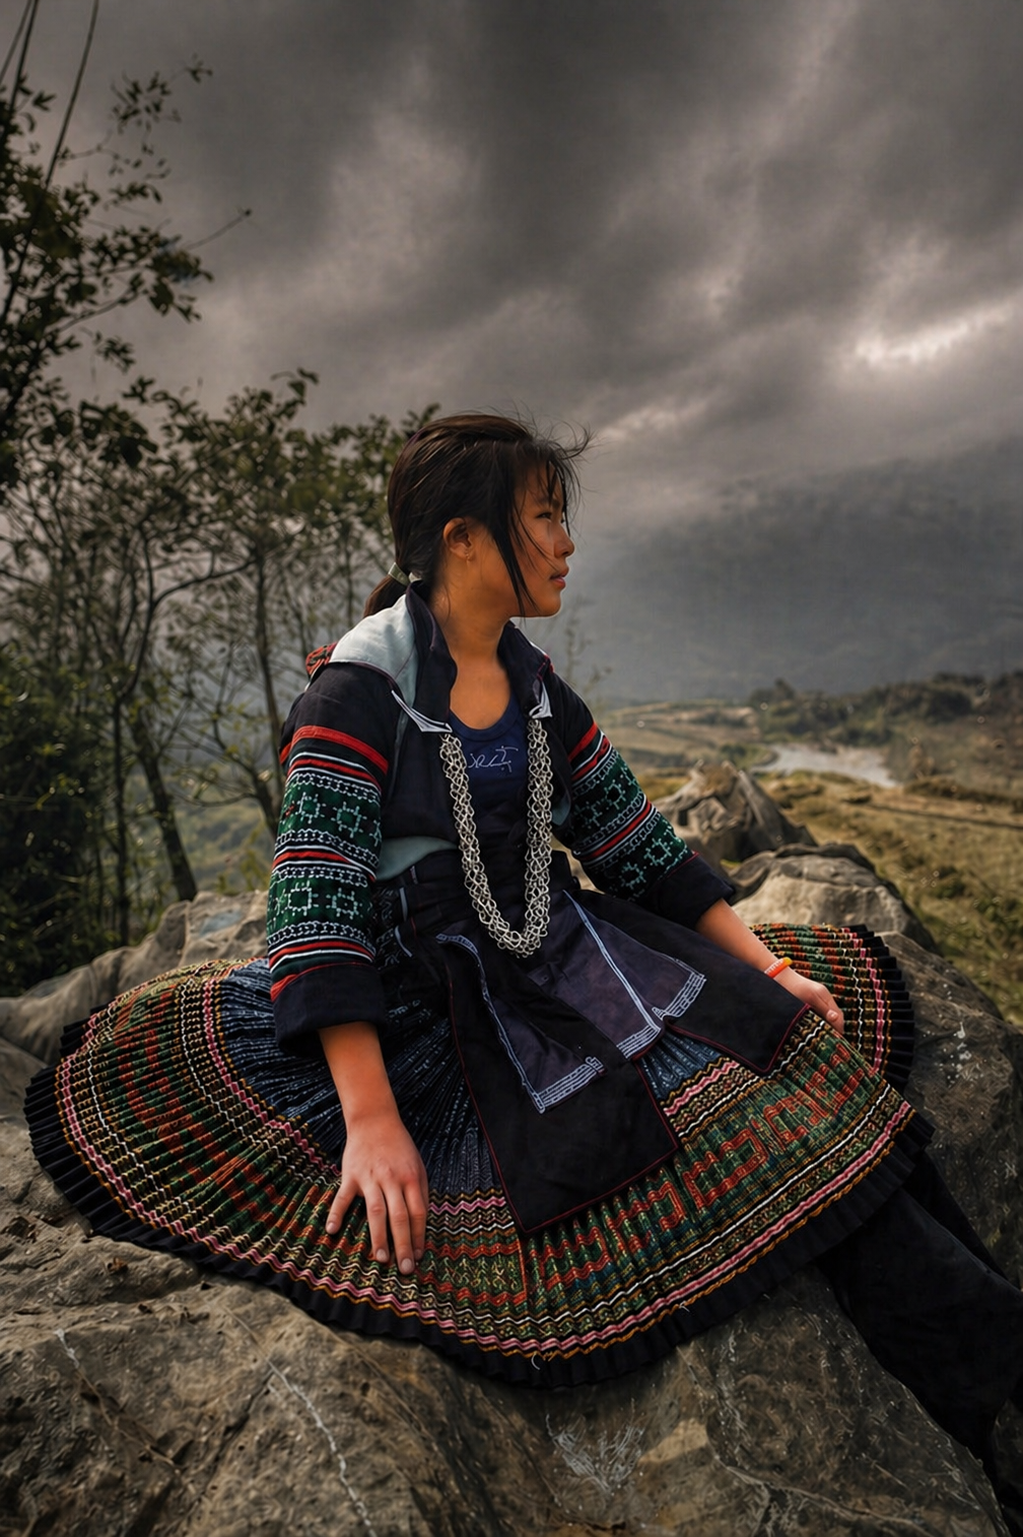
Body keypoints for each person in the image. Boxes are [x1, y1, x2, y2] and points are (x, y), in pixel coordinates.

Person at [26, 413, 1023, 1503]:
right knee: (700, 1130)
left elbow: (634, 844)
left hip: (559, 942)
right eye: (545, 515)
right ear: (464, 539)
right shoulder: (354, 698)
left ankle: (988, 1372)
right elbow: (316, 914)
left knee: (785, 1054)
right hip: (423, 999)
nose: (565, 541)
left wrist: (768, 969)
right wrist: (370, 1120)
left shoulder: (534, 683)